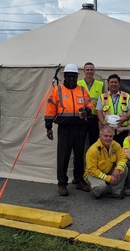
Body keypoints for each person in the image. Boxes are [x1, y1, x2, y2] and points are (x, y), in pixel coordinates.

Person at [44, 63, 93, 196]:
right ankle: (62, 183)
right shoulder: (57, 90)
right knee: (63, 157)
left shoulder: (82, 90)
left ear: (77, 77)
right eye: (69, 76)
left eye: (74, 76)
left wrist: (87, 111)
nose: (71, 79)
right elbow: (50, 109)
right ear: (65, 76)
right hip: (65, 129)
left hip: (79, 128)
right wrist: (48, 127)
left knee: (79, 156)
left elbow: (89, 104)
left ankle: (78, 180)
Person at [83, 126, 128, 199]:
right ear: (100, 136)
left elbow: (122, 157)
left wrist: (118, 169)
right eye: (105, 136)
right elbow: (92, 170)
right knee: (101, 186)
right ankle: (95, 191)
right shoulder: (92, 150)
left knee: (124, 169)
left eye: (110, 136)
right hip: (92, 174)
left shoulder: (116, 145)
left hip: (107, 170)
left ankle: (115, 192)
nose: (108, 138)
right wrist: (107, 178)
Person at [96, 74, 130, 146]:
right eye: (111, 82)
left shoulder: (126, 96)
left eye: (115, 82)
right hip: (108, 131)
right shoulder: (103, 97)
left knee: (122, 151)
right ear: (108, 84)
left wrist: (125, 118)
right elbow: (99, 111)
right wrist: (103, 123)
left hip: (123, 130)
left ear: (119, 84)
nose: (113, 84)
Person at [77, 62, 104, 147]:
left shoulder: (100, 84)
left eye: (91, 70)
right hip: (82, 118)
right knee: (80, 143)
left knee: (94, 143)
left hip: (94, 118)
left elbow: (104, 101)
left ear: (94, 71)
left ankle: (92, 160)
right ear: (84, 71)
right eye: (87, 70)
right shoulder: (78, 84)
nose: (89, 71)